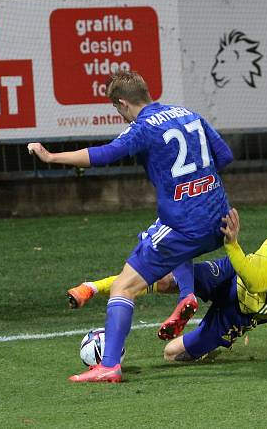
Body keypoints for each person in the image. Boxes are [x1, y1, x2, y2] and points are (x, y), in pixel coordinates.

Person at [27, 71, 233, 383]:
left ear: (122, 103)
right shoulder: (190, 114)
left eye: (117, 109)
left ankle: (109, 365)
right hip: (221, 220)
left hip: (185, 224)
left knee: (125, 285)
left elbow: (103, 154)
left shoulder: (143, 127)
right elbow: (225, 156)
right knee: (163, 238)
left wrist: (52, 156)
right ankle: (187, 294)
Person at [73, 170, 267, 364]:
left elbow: (258, 281)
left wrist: (233, 244)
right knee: (164, 275)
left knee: (172, 353)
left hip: (244, 307)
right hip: (232, 269)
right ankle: (93, 287)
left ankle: (211, 340)